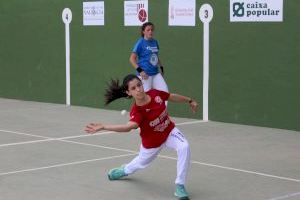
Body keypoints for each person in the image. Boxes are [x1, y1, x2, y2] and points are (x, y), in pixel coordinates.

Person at [85, 74, 198, 200]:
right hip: (151, 144)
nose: (138, 89)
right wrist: (104, 127)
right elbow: (128, 127)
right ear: (129, 92)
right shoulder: (137, 111)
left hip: (169, 132)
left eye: (139, 85)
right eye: (133, 88)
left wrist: (189, 100)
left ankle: (180, 185)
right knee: (140, 163)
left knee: (184, 146)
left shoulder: (155, 94)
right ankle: (124, 170)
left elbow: (171, 96)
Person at [129, 22, 168, 93]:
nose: (151, 31)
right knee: (145, 98)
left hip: (155, 74)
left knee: (165, 93)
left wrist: (161, 67)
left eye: (152, 30)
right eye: (148, 30)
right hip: (145, 75)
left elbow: (155, 56)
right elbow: (132, 59)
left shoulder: (155, 42)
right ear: (143, 32)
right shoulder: (140, 43)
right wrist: (140, 71)